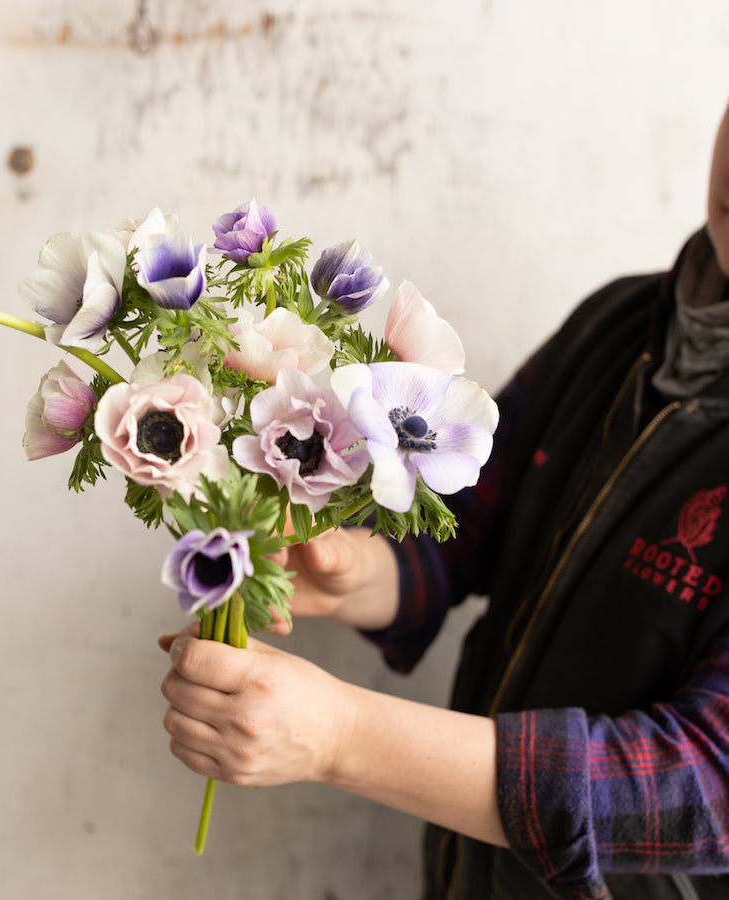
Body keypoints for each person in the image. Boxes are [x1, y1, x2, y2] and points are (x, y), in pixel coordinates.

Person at [159, 98, 729, 900]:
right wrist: (356, 570)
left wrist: (342, 738)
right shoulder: (621, 324)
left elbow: (699, 785)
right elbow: (465, 527)